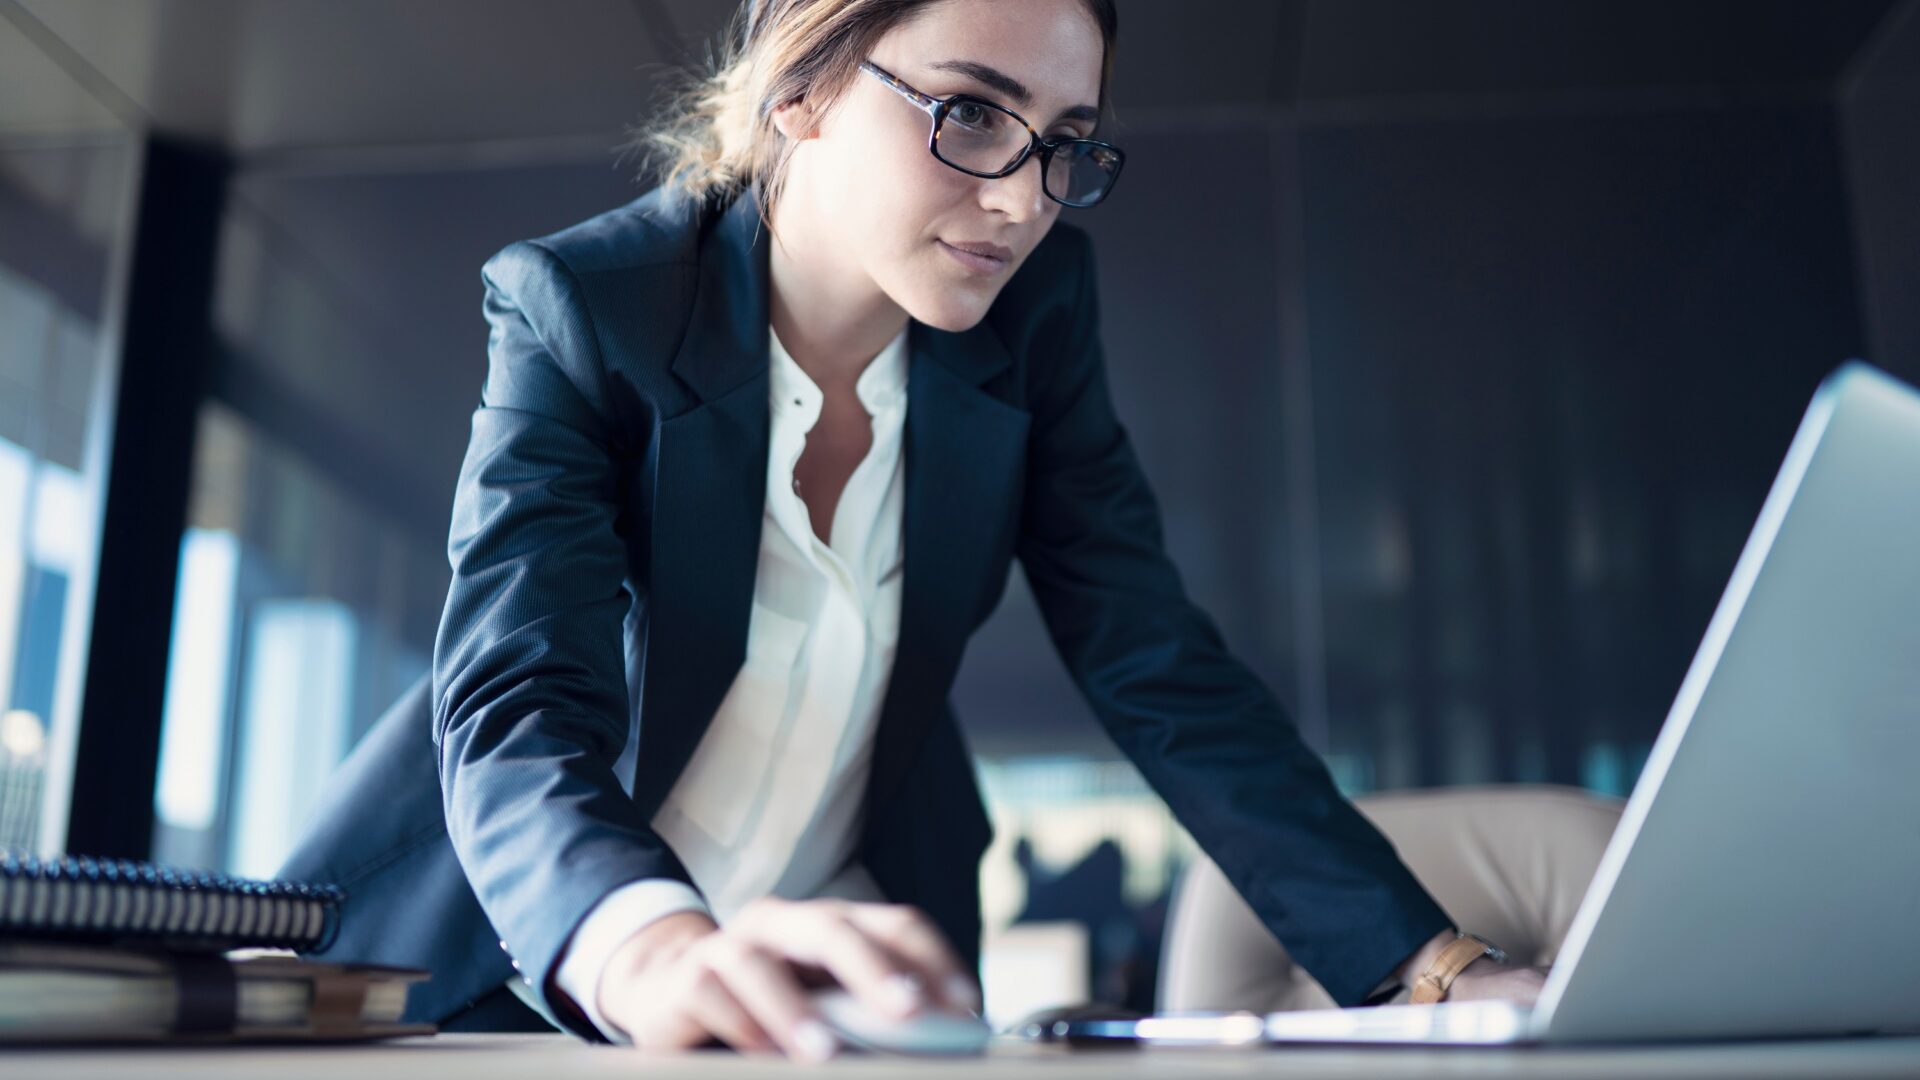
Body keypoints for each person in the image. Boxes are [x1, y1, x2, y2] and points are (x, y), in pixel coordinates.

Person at [283, 0, 1545, 1062]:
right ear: (802, 88)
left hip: (848, 981)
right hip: (519, 969)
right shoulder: (584, 311)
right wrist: (652, 946)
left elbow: (1154, 659)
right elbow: (517, 704)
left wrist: (1427, 969)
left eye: (1066, 143)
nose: (1021, 200)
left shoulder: (1036, 313)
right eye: (973, 114)